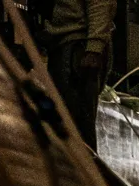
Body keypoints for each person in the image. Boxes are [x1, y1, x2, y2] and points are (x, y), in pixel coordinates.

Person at [38, 0, 117, 147]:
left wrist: (94, 47)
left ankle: (83, 166)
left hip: (77, 47)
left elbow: (101, 3)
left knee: (75, 128)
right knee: (69, 125)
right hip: (67, 45)